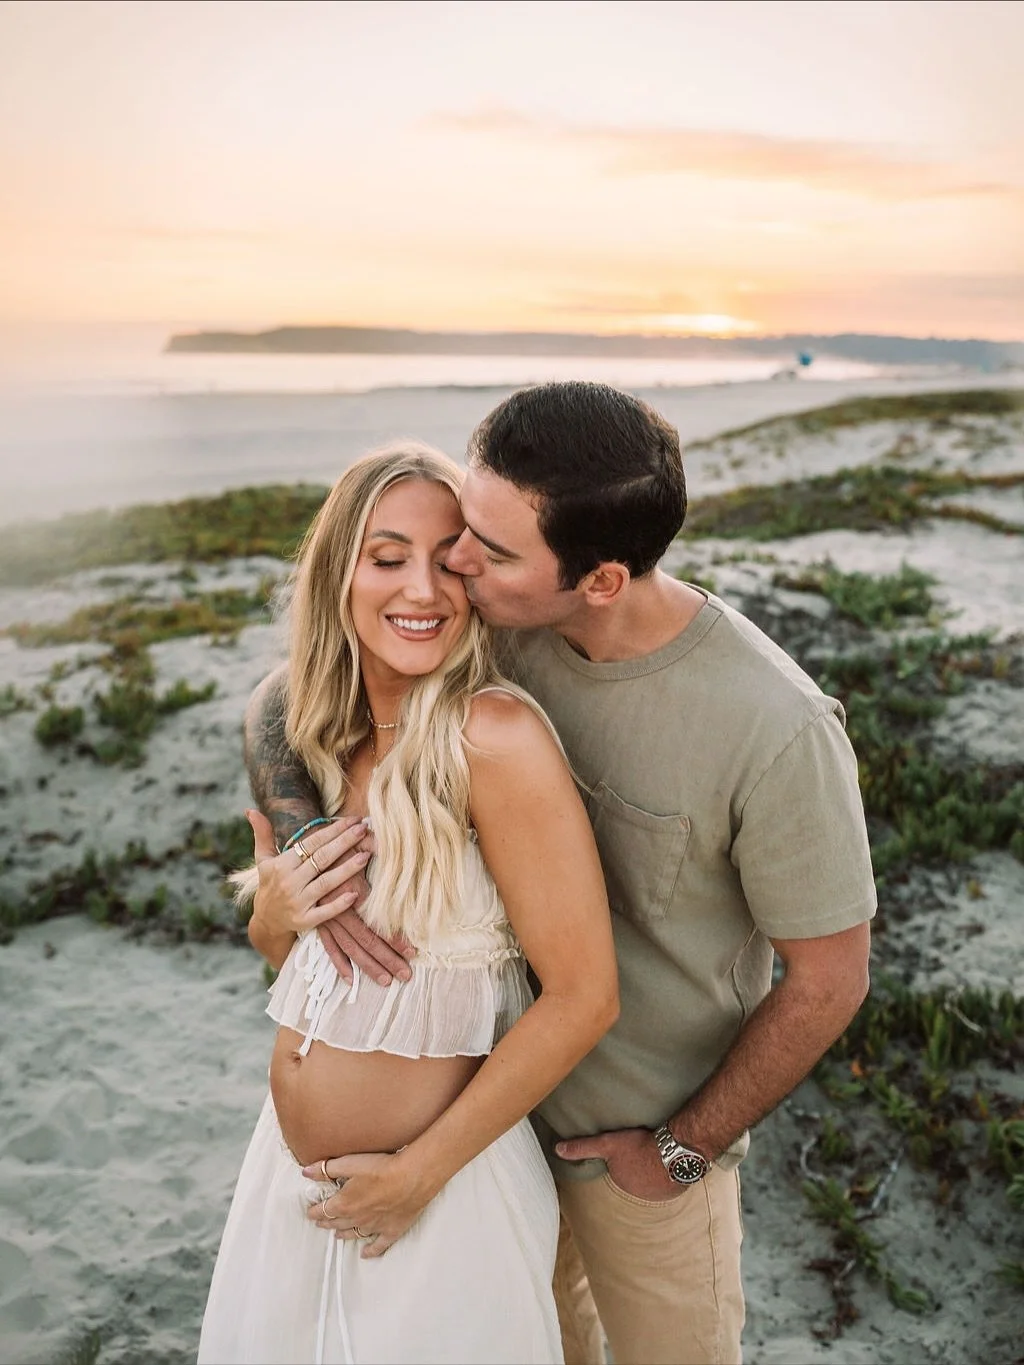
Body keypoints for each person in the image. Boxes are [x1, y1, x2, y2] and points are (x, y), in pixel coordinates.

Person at [244, 383, 877, 1365]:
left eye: (488, 550)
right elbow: (290, 686)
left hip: (635, 1146)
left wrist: (678, 1150)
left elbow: (831, 980)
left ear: (601, 580)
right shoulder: (493, 616)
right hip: (490, 1126)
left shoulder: (772, 728)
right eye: (465, 528)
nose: (455, 564)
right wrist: (304, 843)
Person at [199, 442, 619, 1365]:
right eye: (388, 558)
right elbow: (325, 971)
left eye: (448, 559)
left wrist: (416, 1174)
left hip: (437, 1196)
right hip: (289, 1181)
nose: (421, 589)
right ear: (337, 573)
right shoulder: (325, 737)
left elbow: (585, 996)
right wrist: (274, 913)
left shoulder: (492, 737)